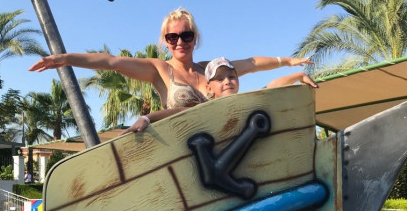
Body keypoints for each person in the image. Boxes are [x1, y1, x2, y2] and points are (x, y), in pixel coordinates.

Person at [29, 7, 313, 111]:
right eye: (172, 37)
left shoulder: (214, 70)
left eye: (186, 35)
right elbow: (110, 62)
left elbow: (251, 63)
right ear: (165, 42)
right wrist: (66, 58)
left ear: (195, 38)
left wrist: (288, 62)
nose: (180, 42)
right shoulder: (159, 70)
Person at [124, 57, 318, 133]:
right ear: (209, 88)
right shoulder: (207, 108)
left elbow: (271, 87)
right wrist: (147, 118)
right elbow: (177, 112)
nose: (227, 81)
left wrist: (298, 75)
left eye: (231, 76)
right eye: (219, 79)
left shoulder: (244, 102)